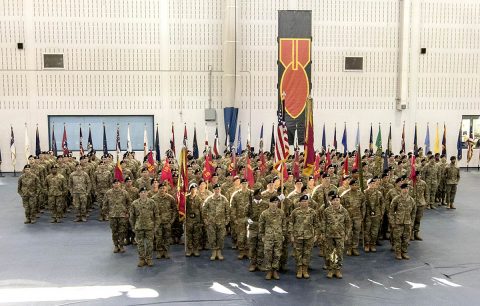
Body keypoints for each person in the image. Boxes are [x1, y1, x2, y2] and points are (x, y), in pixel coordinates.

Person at [289, 194, 320, 279]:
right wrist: (291, 235)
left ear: (308, 202)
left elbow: (316, 224)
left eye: (305, 201)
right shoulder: (295, 212)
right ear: (299, 202)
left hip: (309, 236)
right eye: (302, 201)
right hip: (297, 236)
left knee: (307, 253)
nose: (304, 203)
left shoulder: (312, 212)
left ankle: (305, 269)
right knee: (298, 253)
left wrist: (316, 235)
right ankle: (299, 269)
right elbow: (291, 223)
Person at [322, 193, 351, 279]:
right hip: (329, 235)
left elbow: (348, 223)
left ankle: (337, 269)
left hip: (340, 235)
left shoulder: (344, 211)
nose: (336, 202)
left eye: (337, 200)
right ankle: (331, 269)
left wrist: (347, 234)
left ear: (340, 201)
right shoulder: (327, 211)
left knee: (339, 252)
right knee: (330, 253)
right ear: (331, 201)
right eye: (334, 200)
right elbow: (323, 223)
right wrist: (323, 233)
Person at [259, 196, 287, 280]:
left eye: (276, 202)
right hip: (268, 236)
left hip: (278, 236)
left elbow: (284, 224)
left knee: (277, 254)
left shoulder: (281, 213)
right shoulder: (264, 213)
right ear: (269, 203)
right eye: (272, 202)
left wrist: (283, 235)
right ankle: (269, 270)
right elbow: (261, 225)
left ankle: (275, 270)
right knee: (268, 253)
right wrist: (262, 235)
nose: (274, 204)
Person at [130, 187, 158, 267]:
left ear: (147, 193)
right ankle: (141, 259)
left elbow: (156, 216)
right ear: (139, 194)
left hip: (149, 227)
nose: (143, 194)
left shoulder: (152, 202)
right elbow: (132, 217)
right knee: (140, 244)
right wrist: (133, 227)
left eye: (145, 192)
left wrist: (155, 227)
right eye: (141, 192)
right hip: (139, 227)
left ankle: (149, 259)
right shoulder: (134, 203)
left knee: (149, 244)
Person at [202, 184, 230, 261]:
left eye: (218, 189)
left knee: (221, 237)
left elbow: (227, 210)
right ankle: (214, 252)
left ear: (220, 190)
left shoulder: (224, 199)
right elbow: (204, 210)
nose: (217, 190)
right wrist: (206, 220)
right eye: (215, 189)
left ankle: (219, 252)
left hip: (221, 222)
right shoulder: (209, 199)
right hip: (211, 223)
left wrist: (227, 220)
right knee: (212, 237)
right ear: (213, 190)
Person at [389, 183, 416, 260]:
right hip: (398, 222)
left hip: (407, 222)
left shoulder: (411, 200)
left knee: (406, 238)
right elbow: (391, 211)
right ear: (401, 189)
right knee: (397, 238)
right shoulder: (396, 199)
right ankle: (398, 253)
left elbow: (413, 212)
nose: (405, 190)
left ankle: (404, 252)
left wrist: (412, 222)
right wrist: (392, 222)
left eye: (407, 189)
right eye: (404, 188)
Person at [151, 181, 177, 259]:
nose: (162, 189)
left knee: (167, 237)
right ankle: (159, 251)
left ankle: (166, 251)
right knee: (158, 238)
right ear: (158, 189)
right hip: (158, 222)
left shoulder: (170, 198)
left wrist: (172, 220)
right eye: (160, 188)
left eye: (163, 188)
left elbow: (175, 210)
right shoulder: (153, 198)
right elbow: (151, 211)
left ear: (166, 189)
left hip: (167, 222)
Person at [104, 179, 131, 253]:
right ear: (112, 184)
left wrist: (128, 212)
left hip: (122, 215)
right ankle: (116, 245)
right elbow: (105, 204)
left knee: (122, 231)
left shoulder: (124, 192)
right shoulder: (108, 193)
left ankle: (121, 245)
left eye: (117, 183)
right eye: (115, 183)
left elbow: (129, 203)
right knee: (114, 231)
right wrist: (106, 213)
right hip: (112, 215)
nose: (116, 184)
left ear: (120, 184)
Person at [245, 188, 269, 272]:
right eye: (257, 194)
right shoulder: (249, 205)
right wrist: (248, 220)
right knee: (252, 247)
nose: (259, 196)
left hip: (262, 228)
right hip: (252, 228)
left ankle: (260, 263)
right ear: (254, 196)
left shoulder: (266, 204)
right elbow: (245, 216)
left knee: (261, 246)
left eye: (260, 194)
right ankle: (253, 263)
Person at [340, 179, 365, 256]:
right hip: (348, 217)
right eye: (353, 185)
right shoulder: (345, 194)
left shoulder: (361, 194)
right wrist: (343, 217)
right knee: (349, 233)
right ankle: (349, 248)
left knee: (357, 232)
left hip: (357, 216)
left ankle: (355, 247)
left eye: (356, 185)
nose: (355, 186)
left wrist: (362, 216)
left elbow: (363, 206)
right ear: (350, 185)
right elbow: (341, 207)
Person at [230, 178, 252, 259]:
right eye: (243, 183)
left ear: (248, 184)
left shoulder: (252, 194)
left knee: (249, 235)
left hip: (249, 218)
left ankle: (248, 251)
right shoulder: (236, 194)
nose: (244, 185)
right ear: (240, 184)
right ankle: (241, 251)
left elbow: (256, 205)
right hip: (240, 218)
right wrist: (234, 218)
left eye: (246, 183)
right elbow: (232, 207)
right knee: (241, 236)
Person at [364, 177, 383, 252]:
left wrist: (382, 212)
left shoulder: (379, 193)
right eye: (370, 183)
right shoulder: (364, 192)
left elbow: (383, 203)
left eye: (373, 183)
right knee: (367, 230)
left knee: (375, 230)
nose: (372, 185)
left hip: (377, 214)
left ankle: (373, 244)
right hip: (367, 214)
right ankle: (367, 244)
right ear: (367, 184)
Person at [185, 183, 203, 257]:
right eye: (192, 189)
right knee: (189, 235)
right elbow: (183, 209)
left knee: (196, 235)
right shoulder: (186, 198)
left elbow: (201, 209)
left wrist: (201, 220)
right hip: (188, 219)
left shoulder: (199, 198)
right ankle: (189, 249)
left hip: (196, 219)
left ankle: (195, 249)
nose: (193, 191)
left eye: (195, 189)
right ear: (190, 190)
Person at [410, 171, 428, 240]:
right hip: (413, 204)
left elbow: (426, 193)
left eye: (419, 175)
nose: (418, 177)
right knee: (412, 219)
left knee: (418, 220)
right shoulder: (411, 183)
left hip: (421, 204)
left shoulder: (423, 183)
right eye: (417, 175)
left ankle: (416, 234)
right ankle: (411, 234)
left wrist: (426, 202)